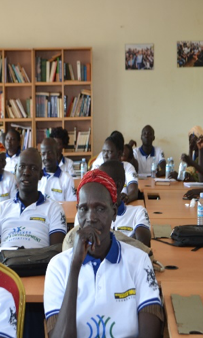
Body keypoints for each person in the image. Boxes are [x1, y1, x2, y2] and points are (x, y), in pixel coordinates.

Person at [44, 169, 162, 338]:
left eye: (100, 208)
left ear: (114, 212)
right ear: (77, 213)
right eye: (84, 209)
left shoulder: (139, 261)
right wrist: (75, 266)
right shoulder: (58, 266)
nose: (91, 217)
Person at [0, 148, 67, 249]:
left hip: (38, 264)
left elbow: (56, 252)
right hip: (3, 263)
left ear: (41, 175)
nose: (26, 173)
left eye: (33, 168)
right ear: (15, 171)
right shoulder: (1, 209)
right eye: (22, 167)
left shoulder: (54, 209)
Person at [71, 160, 151, 246]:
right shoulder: (84, 213)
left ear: (117, 185)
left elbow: (143, 243)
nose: (97, 184)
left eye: (103, 180)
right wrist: (128, 240)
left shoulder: (138, 212)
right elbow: (81, 242)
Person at [101, 135, 139, 204]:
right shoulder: (99, 169)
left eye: (109, 152)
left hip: (124, 207)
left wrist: (127, 197)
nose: (105, 155)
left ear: (119, 154)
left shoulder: (128, 167)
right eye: (103, 151)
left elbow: (134, 191)